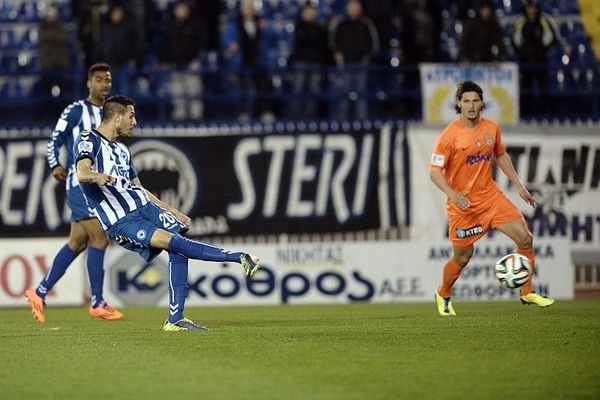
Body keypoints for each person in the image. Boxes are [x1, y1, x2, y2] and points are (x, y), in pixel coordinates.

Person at [73, 95, 260, 331]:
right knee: (174, 243)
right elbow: (82, 173)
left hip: (144, 206)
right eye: (131, 115)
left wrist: (173, 211)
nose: (135, 121)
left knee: (179, 243)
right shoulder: (89, 139)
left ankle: (175, 319)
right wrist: (98, 176)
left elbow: (138, 188)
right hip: (122, 219)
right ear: (117, 116)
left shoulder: (121, 150)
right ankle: (240, 256)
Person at [429, 80, 554, 316]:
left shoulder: (492, 128)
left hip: (491, 198)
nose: (471, 105)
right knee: (464, 257)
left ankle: (526, 291)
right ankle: (443, 293)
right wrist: (453, 195)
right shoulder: (449, 137)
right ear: (459, 104)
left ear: (482, 103)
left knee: (525, 239)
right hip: (463, 207)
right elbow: (434, 172)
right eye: (466, 101)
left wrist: (519, 186)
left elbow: (501, 154)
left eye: (475, 100)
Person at [25, 63, 123, 323]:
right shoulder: (76, 110)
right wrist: (55, 164)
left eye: (108, 80)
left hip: (99, 187)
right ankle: (97, 302)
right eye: (100, 80)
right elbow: (54, 140)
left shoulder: (112, 113)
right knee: (100, 240)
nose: (105, 84)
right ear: (89, 83)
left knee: (77, 243)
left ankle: (39, 292)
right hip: (80, 185)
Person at [512, 0, 557, 117]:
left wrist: (542, 52)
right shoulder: (520, 22)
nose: (531, 10)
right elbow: (515, 41)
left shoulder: (545, 21)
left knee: (543, 88)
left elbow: (553, 39)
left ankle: (546, 114)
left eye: (533, 8)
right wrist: (523, 53)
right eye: (529, 8)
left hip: (541, 61)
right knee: (526, 88)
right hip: (526, 62)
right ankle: (526, 114)